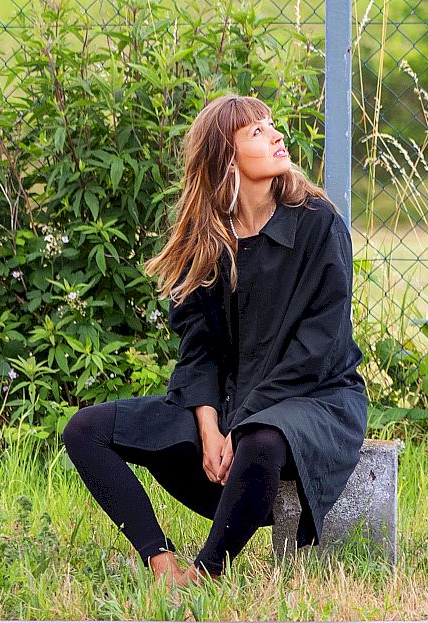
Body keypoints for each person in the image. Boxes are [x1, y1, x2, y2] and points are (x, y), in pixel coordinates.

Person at [61, 94, 367, 582]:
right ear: (227, 158)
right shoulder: (208, 239)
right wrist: (209, 426)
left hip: (315, 399)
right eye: (257, 132)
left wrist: (239, 422)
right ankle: (162, 564)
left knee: (262, 440)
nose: (276, 136)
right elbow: (198, 349)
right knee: (85, 429)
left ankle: (204, 576)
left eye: (271, 125)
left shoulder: (317, 223)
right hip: (226, 403)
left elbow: (319, 346)